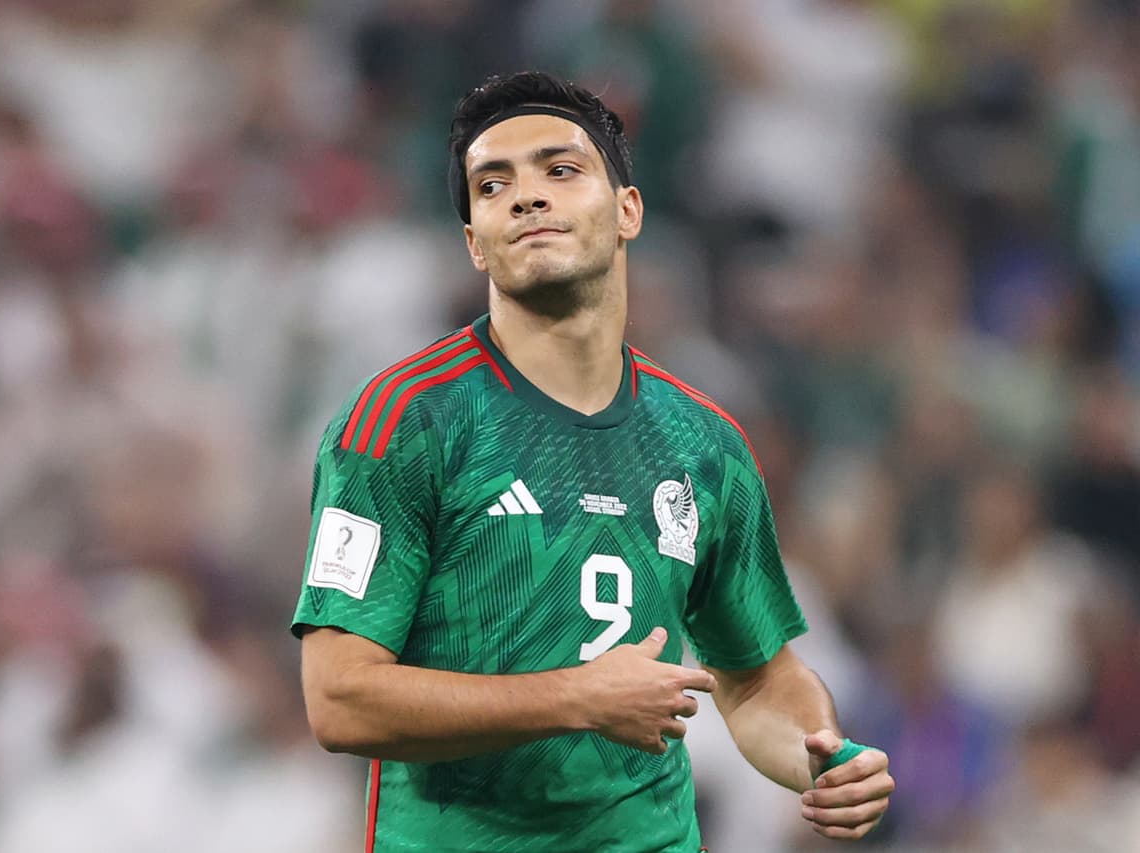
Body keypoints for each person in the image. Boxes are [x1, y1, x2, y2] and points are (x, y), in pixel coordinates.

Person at [292, 70, 894, 852]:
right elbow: (340, 699)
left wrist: (821, 752)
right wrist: (578, 696)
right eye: (492, 184)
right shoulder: (403, 421)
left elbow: (757, 676)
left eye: (561, 169)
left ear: (628, 211)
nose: (526, 195)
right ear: (475, 241)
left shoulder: (705, 443)